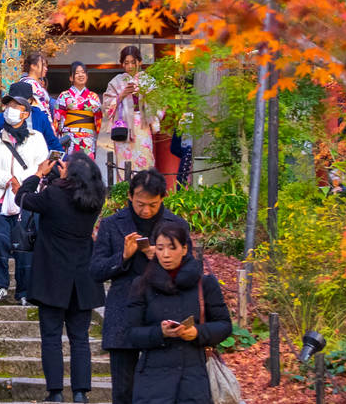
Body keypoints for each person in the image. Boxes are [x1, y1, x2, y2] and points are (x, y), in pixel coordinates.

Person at [19, 151, 106, 404]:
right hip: (82, 276)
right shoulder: (95, 198)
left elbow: (22, 198)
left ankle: (55, 392)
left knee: (51, 336)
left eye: (66, 166)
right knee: (80, 337)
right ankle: (80, 392)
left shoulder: (53, 195)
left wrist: (38, 174)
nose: (62, 167)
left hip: (52, 275)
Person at [92, 170, 184, 404]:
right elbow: (96, 271)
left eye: (152, 205)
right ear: (130, 197)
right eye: (140, 204)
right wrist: (123, 257)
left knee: (163, 391)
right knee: (124, 391)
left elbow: (191, 273)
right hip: (123, 315)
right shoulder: (112, 224)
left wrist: (165, 259)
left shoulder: (176, 225)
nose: (145, 210)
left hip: (164, 313)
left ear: (163, 198)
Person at [124, 223, 232, 404]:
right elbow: (131, 333)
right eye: (160, 248)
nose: (165, 254)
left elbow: (224, 325)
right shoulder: (141, 285)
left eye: (172, 248)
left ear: (184, 249)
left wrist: (197, 332)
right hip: (153, 381)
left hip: (193, 379)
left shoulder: (204, 284)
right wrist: (160, 332)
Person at [0, 81, 51, 303]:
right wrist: (7, 179)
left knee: (25, 244)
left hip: (26, 199)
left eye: (17, 106)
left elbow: (41, 166)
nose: (12, 110)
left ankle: (25, 291)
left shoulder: (36, 139)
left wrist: (26, 184)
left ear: (26, 112)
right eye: (9, 105)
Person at [102, 45, 162, 174]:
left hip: (142, 125)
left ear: (139, 62)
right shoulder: (116, 81)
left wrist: (144, 94)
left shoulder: (148, 81)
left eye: (133, 62)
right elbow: (107, 106)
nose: (130, 66)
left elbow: (158, 104)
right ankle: (125, 191)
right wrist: (121, 95)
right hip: (123, 126)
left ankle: (146, 190)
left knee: (145, 159)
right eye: (126, 63)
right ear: (122, 64)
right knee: (124, 163)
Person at [54, 62, 102, 158]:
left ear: (87, 76)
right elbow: (57, 119)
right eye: (77, 73)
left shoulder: (94, 97)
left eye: (83, 72)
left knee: (87, 167)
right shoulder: (64, 96)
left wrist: (94, 135)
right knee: (69, 166)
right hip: (69, 137)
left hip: (88, 138)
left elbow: (98, 119)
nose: (81, 75)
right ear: (71, 78)